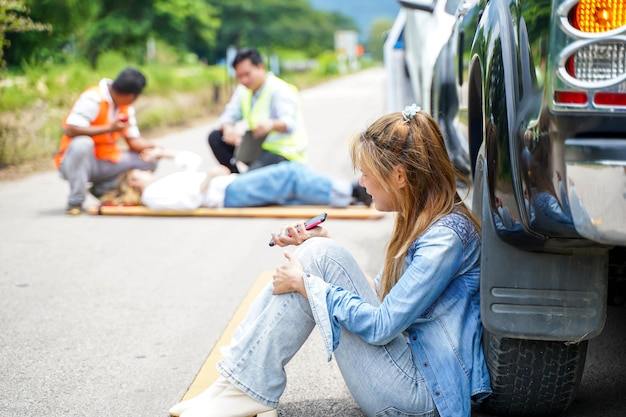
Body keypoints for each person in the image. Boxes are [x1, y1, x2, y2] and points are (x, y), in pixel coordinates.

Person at [168, 105, 491, 417]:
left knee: (313, 267)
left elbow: (381, 326)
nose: (362, 183)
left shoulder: (443, 239)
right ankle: (235, 383)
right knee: (318, 253)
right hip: (410, 374)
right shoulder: (425, 220)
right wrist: (323, 246)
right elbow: (381, 296)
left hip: (421, 399)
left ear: (400, 176)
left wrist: (307, 285)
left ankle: (245, 388)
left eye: (366, 173)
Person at [99, 149, 372, 209]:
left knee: (289, 189)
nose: (145, 169)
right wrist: (210, 177)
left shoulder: (158, 185)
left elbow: (189, 162)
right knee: (289, 173)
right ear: (133, 183)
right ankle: (350, 191)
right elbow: (188, 202)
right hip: (226, 193)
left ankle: (348, 196)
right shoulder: (151, 195)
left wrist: (166, 154)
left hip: (226, 187)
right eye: (138, 172)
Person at [54, 67, 165, 215]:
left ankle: (104, 190)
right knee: (82, 143)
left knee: (148, 159)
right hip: (78, 162)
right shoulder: (93, 98)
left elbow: (133, 142)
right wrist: (110, 128)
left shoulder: (126, 107)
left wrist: (155, 148)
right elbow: (71, 130)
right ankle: (75, 201)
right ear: (133, 96)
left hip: (106, 160)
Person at [208, 48, 308, 173]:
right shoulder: (243, 90)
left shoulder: (279, 89)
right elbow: (228, 115)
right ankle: (237, 178)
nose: (243, 80)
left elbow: (288, 123)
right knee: (216, 137)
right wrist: (228, 128)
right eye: (239, 76)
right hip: (256, 148)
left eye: (247, 74)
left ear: (260, 67)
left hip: (283, 153)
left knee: (252, 180)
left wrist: (271, 124)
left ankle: (245, 182)